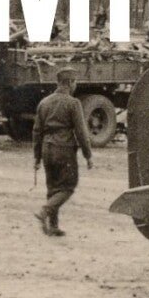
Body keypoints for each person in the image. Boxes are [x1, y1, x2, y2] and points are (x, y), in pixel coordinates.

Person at [32, 69, 93, 237]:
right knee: (67, 187)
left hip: (46, 148)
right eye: (75, 82)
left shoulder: (44, 103)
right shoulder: (73, 103)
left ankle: (53, 226)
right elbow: (81, 132)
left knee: (52, 188)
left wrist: (36, 157)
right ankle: (44, 211)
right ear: (70, 82)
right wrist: (88, 155)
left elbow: (36, 132)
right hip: (64, 149)